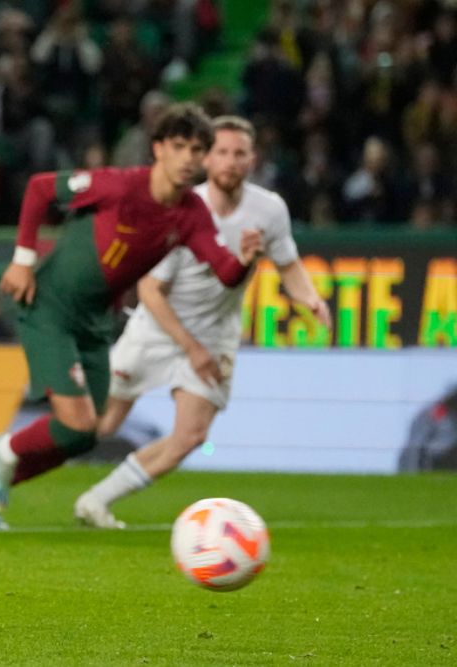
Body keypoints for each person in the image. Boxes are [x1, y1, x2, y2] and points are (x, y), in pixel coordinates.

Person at [0, 103, 264, 531]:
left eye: (197, 149)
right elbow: (38, 189)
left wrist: (246, 260)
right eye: (179, 146)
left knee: (88, 432)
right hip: (48, 308)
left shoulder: (191, 214)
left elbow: (224, 272)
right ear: (158, 148)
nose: (188, 158)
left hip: (95, 322)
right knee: (78, 422)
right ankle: (4, 452)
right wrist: (22, 260)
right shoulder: (119, 186)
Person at [75, 116, 331, 528]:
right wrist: (190, 348)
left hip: (215, 336)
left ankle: (96, 500)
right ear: (206, 159)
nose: (230, 161)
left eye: (239, 153)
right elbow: (150, 291)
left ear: (253, 159)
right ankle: (19, 445)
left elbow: (289, 266)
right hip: (156, 328)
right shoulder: (180, 208)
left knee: (190, 436)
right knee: (98, 424)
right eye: (222, 153)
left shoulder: (268, 209)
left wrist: (312, 300)